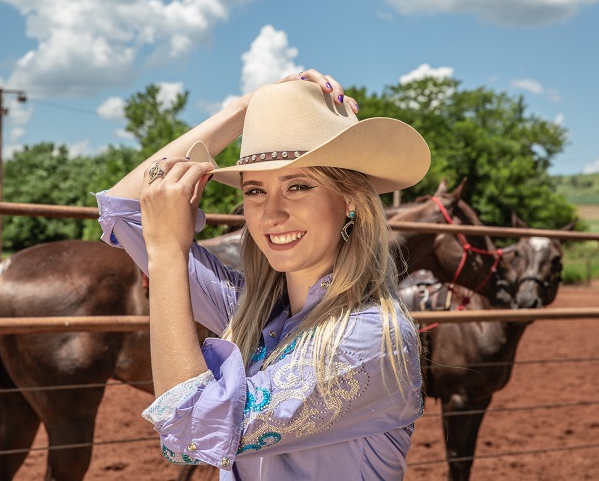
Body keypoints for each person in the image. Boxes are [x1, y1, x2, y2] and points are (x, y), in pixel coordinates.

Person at [96, 69, 431, 479]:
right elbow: (124, 210)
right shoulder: (253, 311)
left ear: (350, 202)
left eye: (298, 186)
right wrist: (247, 109)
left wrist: (168, 251)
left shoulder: (370, 336)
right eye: (255, 190)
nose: (271, 213)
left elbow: (193, 430)